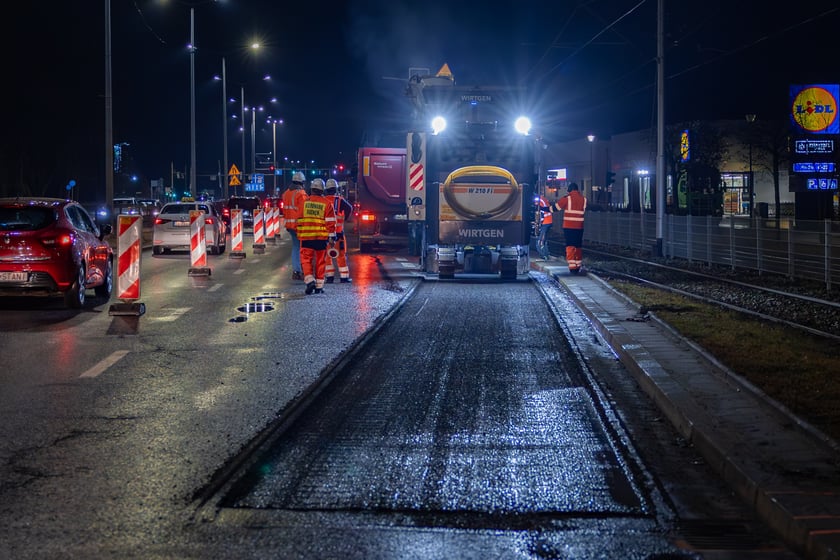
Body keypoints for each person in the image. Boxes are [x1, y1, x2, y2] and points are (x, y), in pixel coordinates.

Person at [297, 178, 336, 294]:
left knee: (306, 260)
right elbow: (330, 222)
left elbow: (299, 220)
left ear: (312, 189)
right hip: (321, 238)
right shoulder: (327, 204)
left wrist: (300, 235)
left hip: (306, 237)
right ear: (322, 190)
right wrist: (331, 238)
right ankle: (319, 287)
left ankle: (309, 281)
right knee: (320, 262)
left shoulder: (304, 203)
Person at [550, 182, 587, 273]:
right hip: (579, 227)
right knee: (578, 246)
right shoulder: (584, 199)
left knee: (570, 245)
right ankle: (578, 265)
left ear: (569, 190)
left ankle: (572, 266)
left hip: (569, 227)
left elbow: (556, 208)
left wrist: (547, 208)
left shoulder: (567, 199)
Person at [324, 178, 354, 283]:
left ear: (326, 189)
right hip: (338, 233)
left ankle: (329, 277)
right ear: (336, 189)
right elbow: (350, 208)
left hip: (325, 233)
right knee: (341, 255)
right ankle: (344, 277)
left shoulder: (323, 200)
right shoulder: (339, 200)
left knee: (327, 256)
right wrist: (345, 218)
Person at [282, 172, 308, 280]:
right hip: (299, 225)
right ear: (301, 182)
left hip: (290, 225)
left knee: (296, 247)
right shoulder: (301, 194)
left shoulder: (286, 193)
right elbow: (305, 210)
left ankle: (296, 271)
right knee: (302, 248)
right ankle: (300, 270)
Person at [536, 193, 553, 260]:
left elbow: (542, 213)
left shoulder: (540, 201)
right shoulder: (543, 199)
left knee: (540, 241)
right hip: (548, 222)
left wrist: (539, 222)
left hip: (545, 222)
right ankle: (546, 254)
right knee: (544, 240)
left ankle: (544, 255)